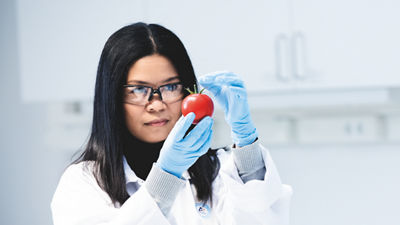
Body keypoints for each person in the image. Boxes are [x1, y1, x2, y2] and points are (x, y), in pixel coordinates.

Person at [51, 22, 293, 225]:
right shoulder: (82, 183)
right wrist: (166, 176)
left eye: (169, 87)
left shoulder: (220, 172)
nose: (156, 104)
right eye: (138, 89)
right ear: (112, 98)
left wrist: (246, 141)